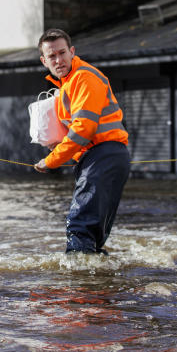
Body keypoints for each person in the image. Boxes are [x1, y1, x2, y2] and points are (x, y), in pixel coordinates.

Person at [34, 28, 130, 254]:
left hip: (104, 157)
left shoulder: (84, 77)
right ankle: (97, 283)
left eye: (62, 53)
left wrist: (51, 161)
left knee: (80, 227)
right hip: (100, 158)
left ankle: (79, 285)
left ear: (72, 51)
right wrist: (59, 147)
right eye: (52, 56)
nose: (58, 60)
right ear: (44, 61)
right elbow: (79, 132)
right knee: (92, 234)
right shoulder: (67, 84)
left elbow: (82, 130)